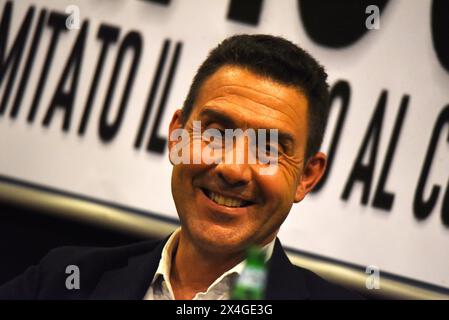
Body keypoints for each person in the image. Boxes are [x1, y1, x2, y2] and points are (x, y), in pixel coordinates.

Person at [0, 34, 361, 299]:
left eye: (268, 148)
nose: (233, 170)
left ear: (307, 176)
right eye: (217, 133)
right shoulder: (61, 281)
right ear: (177, 136)